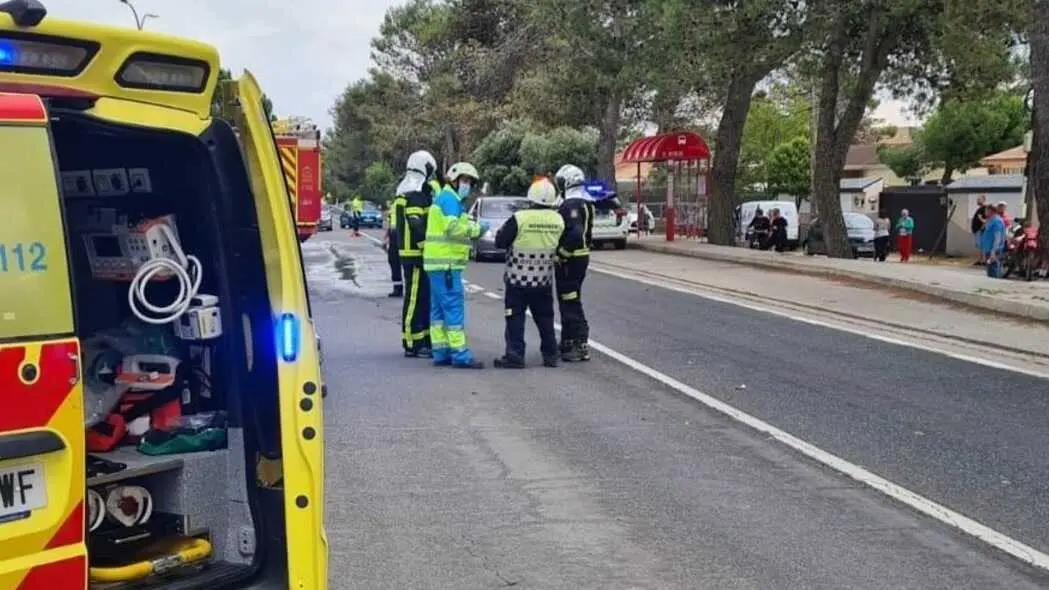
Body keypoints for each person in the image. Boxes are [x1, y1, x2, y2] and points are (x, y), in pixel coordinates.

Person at [492, 178, 565, 369]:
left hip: (517, 280)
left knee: (515, 317)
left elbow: (500, 241)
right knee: (545, 318)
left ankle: (515, 355)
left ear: (531, 197)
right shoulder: (558, 220)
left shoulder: (520, 217)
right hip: (543, 280)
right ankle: (550, 355)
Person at [424, 162, 488, 369]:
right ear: (454, 179)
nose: (467, 185)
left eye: (470, 182)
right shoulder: (450, 200)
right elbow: (453, 229)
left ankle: (440, 352)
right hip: (446, 265)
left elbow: (455, 224)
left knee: (438, 312)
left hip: (437, 265)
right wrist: (476, 230)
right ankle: (460, 354)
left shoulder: (445, 198)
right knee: (453, 308)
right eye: (465, 180)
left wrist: (472, 226)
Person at [392, 151, 441, 357]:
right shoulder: (412, 193)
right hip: (413, 254)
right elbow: (416, 225)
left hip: (418, 254)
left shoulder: (418, 191)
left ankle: (423, 339)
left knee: (423, 297)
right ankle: (411, 342)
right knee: (413, 298)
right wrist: (425, 247)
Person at [553, 164, 595, 362]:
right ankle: (567, 341)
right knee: (567, 299)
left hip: (572, 260)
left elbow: (575, 234)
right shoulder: (586, 202)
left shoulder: (571, 205)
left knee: (570, 300)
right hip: (581, 257)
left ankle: (579, 342)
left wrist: (561, 254)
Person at [981, 204, 1007, 278]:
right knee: (989, 271)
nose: (985, 212)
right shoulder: (991, 220)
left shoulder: (997, 221)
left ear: (990, 211)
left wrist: (993, 251)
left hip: (994, 250)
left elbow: (997, 237)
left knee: (993, 270)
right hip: (988, 249)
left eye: (986, 210)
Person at [383, 204, 402, 297]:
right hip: (393, 235)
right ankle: (397, 288)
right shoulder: (393, 205)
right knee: (393, 261)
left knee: (407, 264)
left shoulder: (406, 202)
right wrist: (386, 237)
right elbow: (390, 223)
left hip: (402, 234)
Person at [970, 195, 987, 265]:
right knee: (980, 246)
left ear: (983, 200)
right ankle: (980, 260)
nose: (977, 200)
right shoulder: (980, 209)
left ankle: (983, 260)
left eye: (979, 199)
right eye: (977, 199)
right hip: (977, 230)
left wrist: (982, 228)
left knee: (982, 245)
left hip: (981, 230)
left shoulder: (985, 208)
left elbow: (986, 220)